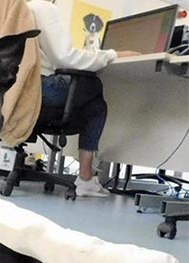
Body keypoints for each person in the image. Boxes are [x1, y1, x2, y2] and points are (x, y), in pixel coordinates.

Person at [27, 0, 140, 197]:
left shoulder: (18, 8)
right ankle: (86, 178)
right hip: (41, 90)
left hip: (23, 92)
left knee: (89, 97)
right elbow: (65, 57)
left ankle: (86, 178)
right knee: (94, 91)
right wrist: (113, 54)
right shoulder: (43, 7)